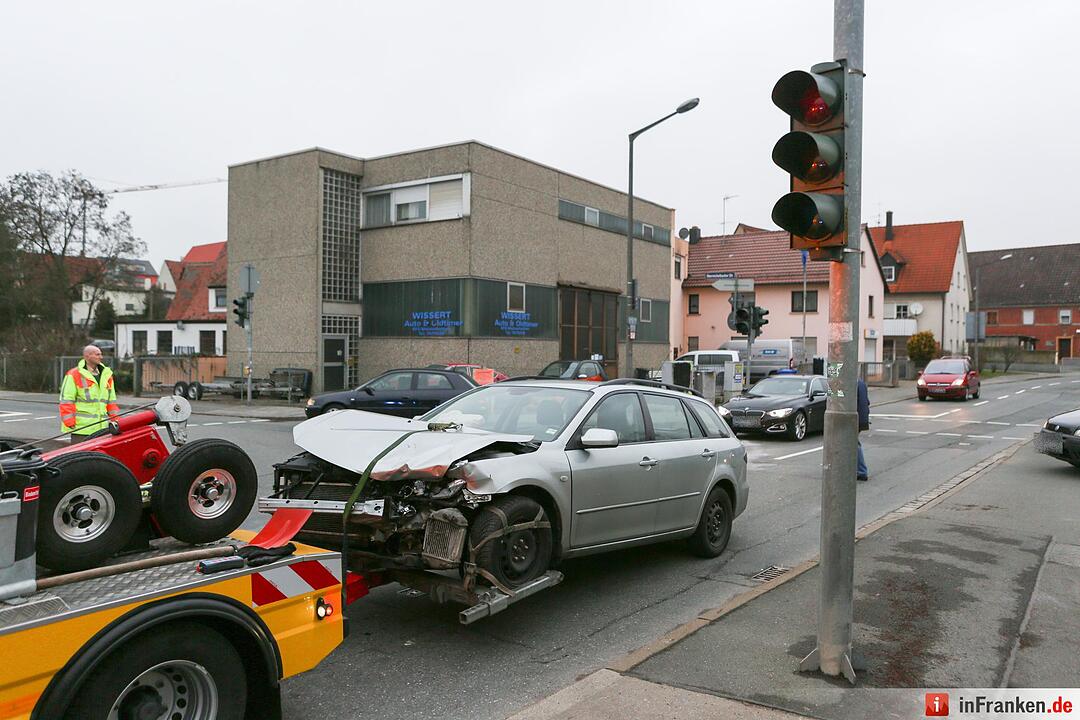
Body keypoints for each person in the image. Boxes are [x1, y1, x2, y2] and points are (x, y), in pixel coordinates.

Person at [58, 345, 120, 443]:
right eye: (97, 354)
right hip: (82, 429)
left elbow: (111, 402)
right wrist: (69, 421)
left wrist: (116, 420)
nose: (101, 357)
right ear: (87, 356)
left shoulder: (107, 375)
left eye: (101, 354)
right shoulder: (74, 374)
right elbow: (66, 400)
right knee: (81, 456)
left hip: (102, 429)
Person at [856, 376, 870, 481]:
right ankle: (858, 470)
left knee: (853, 443)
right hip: (861, 417)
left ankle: (861, 471)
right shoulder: (860, 382)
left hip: (855, 418)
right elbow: (867, 401)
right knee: (853, 443)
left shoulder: (851, 383)